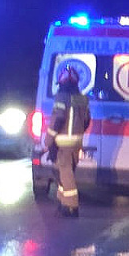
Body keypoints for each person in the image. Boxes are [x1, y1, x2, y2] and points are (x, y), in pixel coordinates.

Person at [46, 65, 90, 217]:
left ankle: (71, 206)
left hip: (63, 142)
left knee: (65, 172)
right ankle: (62, 201)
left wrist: (48, 141)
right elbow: (87, 121)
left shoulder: (61, 97)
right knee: (62, 171)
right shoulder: (82, 98)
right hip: (76, 142)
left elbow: (57, 119)